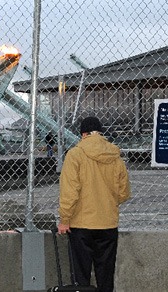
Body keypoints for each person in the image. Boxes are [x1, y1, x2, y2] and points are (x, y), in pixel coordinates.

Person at [57, 117, 131, 292]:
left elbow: (70, 191)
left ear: (83, 134)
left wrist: (65, 219)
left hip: (81, 224)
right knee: (105, 275)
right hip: (108, 224)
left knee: (81, 276)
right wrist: (107, 202)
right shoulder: (115, 156)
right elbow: (124, 192)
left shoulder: (75, 154)